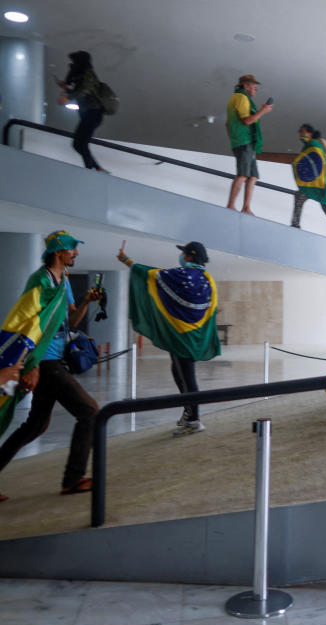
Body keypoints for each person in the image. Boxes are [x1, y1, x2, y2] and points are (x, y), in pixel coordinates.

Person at [0, 231, 102, 501]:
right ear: (59, 252)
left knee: (35, 426)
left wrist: (86, 302)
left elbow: (71, 320)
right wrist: (30, 365)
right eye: (72, 249)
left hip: (54, 359)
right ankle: (73, 478)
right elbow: (26, 323)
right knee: (89, 410)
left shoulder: (64, 281)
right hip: (42, 361)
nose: (76, 253)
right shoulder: (40, 280)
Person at [118, 241, 221, 437]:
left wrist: (126, 260)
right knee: (178, 371)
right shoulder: (208, 279)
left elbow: (152, 274)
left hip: (181, 335)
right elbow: (212, 309)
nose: (181, 256)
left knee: (187, 377)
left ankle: (194, 420)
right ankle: (189, 412)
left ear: (190, 256)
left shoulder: (181, 275)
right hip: (192, 335)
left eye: (184, 253)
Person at [225, 74, 273, 215]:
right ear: (246, 86)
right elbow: (247, 121)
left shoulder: (237, 98)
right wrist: (263, 111)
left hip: (245, 142)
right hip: (244, 142)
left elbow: (227, 124)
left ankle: (246, 207)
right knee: (243, 174)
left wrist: (234, 139)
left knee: (253, 176)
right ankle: (231, 205)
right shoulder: (241, 98)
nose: (256, 90)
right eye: (254, 87)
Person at [56, 51, 107, 173]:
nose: (72, 64)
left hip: (94, 113)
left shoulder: (87, 74)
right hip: (89, 115)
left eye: (74, 61)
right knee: (78, 144)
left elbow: (85, 90)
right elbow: (81, 92)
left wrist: (68, 97)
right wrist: (66, 89)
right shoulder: (81, 75)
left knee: (80, 144)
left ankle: (92, 171)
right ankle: (97, 169)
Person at [290, 124, 326, 239]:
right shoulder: (309, 146)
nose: (300, 134)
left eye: (303, 132)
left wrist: (296, 163)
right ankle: (295, 224)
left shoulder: (314, 145)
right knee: (301, 197)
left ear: (310, 133)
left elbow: (318, 162)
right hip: (314, 183)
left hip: (320, 183)